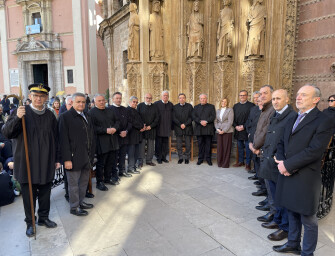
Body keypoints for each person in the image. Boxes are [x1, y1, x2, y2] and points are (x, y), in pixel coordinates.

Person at [273, 85, 333, 255]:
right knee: (291, 211)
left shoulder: (323, 120)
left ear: (315, 99)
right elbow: (281, 141)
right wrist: (281, 160)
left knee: (308, 218)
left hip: (305, 176)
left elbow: (314, 151)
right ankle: (293, 243)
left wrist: (287, 165)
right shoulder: (293, 117)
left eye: (304, 95)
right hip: (287, 172)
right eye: (298, 94)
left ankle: (307, 253)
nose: (298, 97)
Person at [2, 83, 59, 237]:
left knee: (46, 192)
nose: (38, 98)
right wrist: (17, 118)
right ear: (30, 97)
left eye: (41, 96)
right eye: (35, 96)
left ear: (46, 97)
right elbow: (7, 133)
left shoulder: (50, 115)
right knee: (29, 195)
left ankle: (43, 217)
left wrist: (57, 158)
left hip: (46, 161)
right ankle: (30, 222)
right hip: (27, 162)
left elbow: (56, 138)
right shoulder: (20, 112)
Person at [258, 89, 296, 242]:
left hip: (280, 163)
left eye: (278, 98)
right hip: (270, 161)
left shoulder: (291, 116)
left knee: (282, 198)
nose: (275, 101)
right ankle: (278, 220)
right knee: (275, 196)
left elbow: (289, 142)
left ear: (287, 100)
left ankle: (285, 227)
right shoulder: (276, 113)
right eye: (273, 99)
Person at [59, 92, 96, 217]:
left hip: (86, 156)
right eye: (78, 102)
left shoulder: (87, 115)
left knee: (84, 182)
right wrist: (67, 159)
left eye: (83, 102)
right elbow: (63, 140)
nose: (81, 104)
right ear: (73, 102)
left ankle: (80, 202)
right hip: (73, 157)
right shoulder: (65, 117)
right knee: (73, 184)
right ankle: (74, 207)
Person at [89, 94, 120, 190]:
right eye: (99, 101)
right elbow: (92, 128)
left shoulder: (110, 110)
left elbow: (117, 121)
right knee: (101, 163)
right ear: (95, 102)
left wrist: (115, 128)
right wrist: (105, 130)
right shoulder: (91, 112)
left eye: (103, 100)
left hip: (112, 141)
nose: (102, 102)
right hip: (101, 142)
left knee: (111, 162)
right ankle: (99, 182)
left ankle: (107, 178)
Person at [250, 85, 275, 197]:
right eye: (260, 94)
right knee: (262, 172)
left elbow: (265, 131)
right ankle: (266, 196)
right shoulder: (263, 109)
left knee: (268, 177)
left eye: (265, 93)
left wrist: (255, 146)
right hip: (258, 145)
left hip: (264, 148)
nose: (262, 97)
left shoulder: (272, 110)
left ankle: (271, 205)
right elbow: (256, 127)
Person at [110, 92, 133, 177]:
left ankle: (122, 171)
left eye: (120, 98)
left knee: (123, 155)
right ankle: (114, 173)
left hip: (125, 136)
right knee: (115, 156)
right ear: (113, 99)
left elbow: (130, 122)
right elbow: (111, 124)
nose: (119, 100)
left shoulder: (125, 109)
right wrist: (119, 132)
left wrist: (126, 131)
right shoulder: (109, 109)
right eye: (117, 98)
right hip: (115, 137)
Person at [232, 90, 255, 170]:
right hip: (238, 130)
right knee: (240, 147)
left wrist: (244, 126)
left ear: (247, 96)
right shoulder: (235, 106)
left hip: (247, 130)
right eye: (241, 95)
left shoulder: (251, 105)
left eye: (244, 95)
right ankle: (241, 161)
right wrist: (236, 126)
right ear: (239, 96)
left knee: (248, 148)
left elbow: (251, 119)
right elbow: (232, 118)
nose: (242, 97)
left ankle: (248, 163)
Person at [192, 94, 216, 166]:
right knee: (200, 145)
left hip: (208, 129)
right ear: (199, 99)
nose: (203, 100)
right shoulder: (196, 107)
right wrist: (200, 121)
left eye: (204, 98)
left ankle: (208, 159)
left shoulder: (211, 106)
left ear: (206, 99)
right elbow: (193, 116)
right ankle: (200, 159)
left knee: (208, 145)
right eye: (201, 98)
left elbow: (213, 116)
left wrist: (206, 121)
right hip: (199, 129)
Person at [137, 93, 159, 167]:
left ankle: (149, 160)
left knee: (151, 146)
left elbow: (157, 118)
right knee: (141, 146)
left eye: (150, 98)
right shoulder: (140, 106)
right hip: (142, 129)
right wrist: (142, 125)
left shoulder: (155, 107)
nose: (148, 99)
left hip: (151, 129)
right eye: (147, 98)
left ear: (151, 99)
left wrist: (151, 126)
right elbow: (137, 116)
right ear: (144, 98)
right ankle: (140, 161)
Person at [172, 93, 193, 164]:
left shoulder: (189, 106)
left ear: (185, 98)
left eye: (183, 98)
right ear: (178, 99)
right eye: (180, 98)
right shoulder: (175, 107)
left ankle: (187, 157)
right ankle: (180, 157)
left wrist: (185, 124)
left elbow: (191, 117)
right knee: (179, 144)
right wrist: (180, 124)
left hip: (188, 127)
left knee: (188, 144)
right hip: (178, 127)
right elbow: (174, 118)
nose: (182, 99)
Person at [154, 91, 173, 164]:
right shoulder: (156, 104)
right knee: (158, 144)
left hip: (167, 128)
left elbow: (172, 117)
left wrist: (172, 127)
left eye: (167, 95)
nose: (165, 97)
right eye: (164, 95)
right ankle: (158, 158)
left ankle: (164, 157)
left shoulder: (171, 105)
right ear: (161, 96)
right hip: (159, 127)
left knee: (165, 144)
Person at [214, 98, 234, 168]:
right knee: (220, 148)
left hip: (227, 131)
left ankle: (225, 164)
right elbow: (215, 121)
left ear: (227, 103)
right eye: (222, 101)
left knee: (226, 148)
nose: (223, 102)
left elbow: (230, 122)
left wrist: (224, 130)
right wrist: (217, 129)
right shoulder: (218, 110)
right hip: (219, 131)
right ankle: (220, 162)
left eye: (225, 101)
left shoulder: (230, 110)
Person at [127, 96, 144, 173]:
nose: (135, 103)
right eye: (134, 102)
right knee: (131, 152)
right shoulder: (127, 110)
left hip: (137, 134)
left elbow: (140, 120)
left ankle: (133, 166)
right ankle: (130, 168)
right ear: (130, 102)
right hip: (131, 135)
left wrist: (143, 126)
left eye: (136, 102)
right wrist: (140, 127)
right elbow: (132, 121)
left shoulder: (136, 110)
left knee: (136, 152)